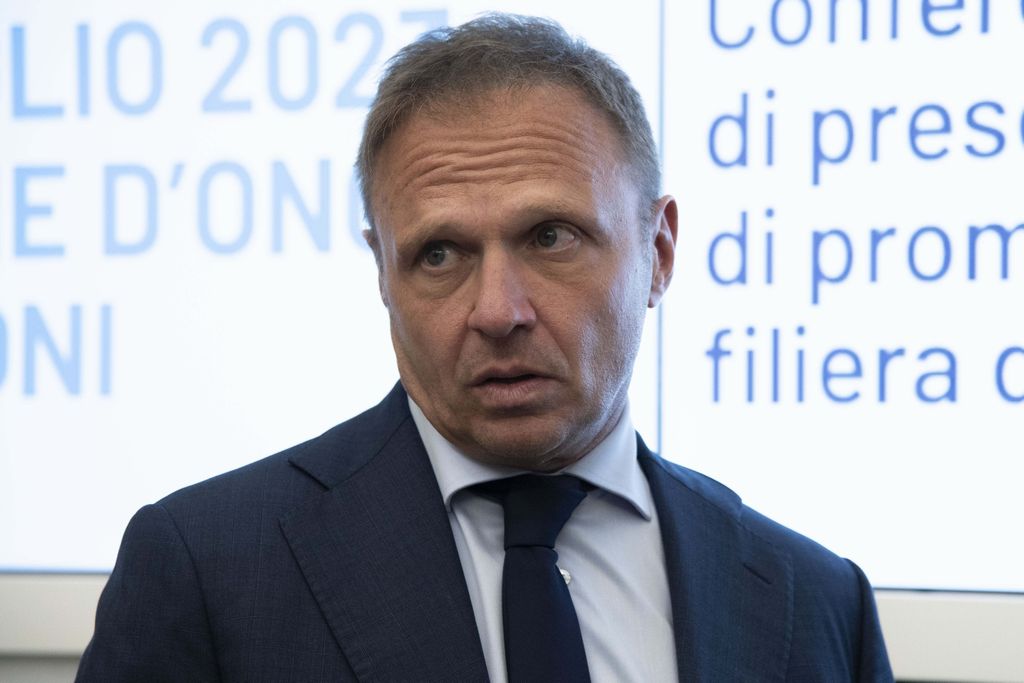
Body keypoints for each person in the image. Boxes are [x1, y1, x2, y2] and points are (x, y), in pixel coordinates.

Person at [77, 13, 893, 682]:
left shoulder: (817, 603)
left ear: (659, 251)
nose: (498, 311)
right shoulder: (208, 572)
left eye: (550, 236)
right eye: (439, 253)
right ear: (383, 272)